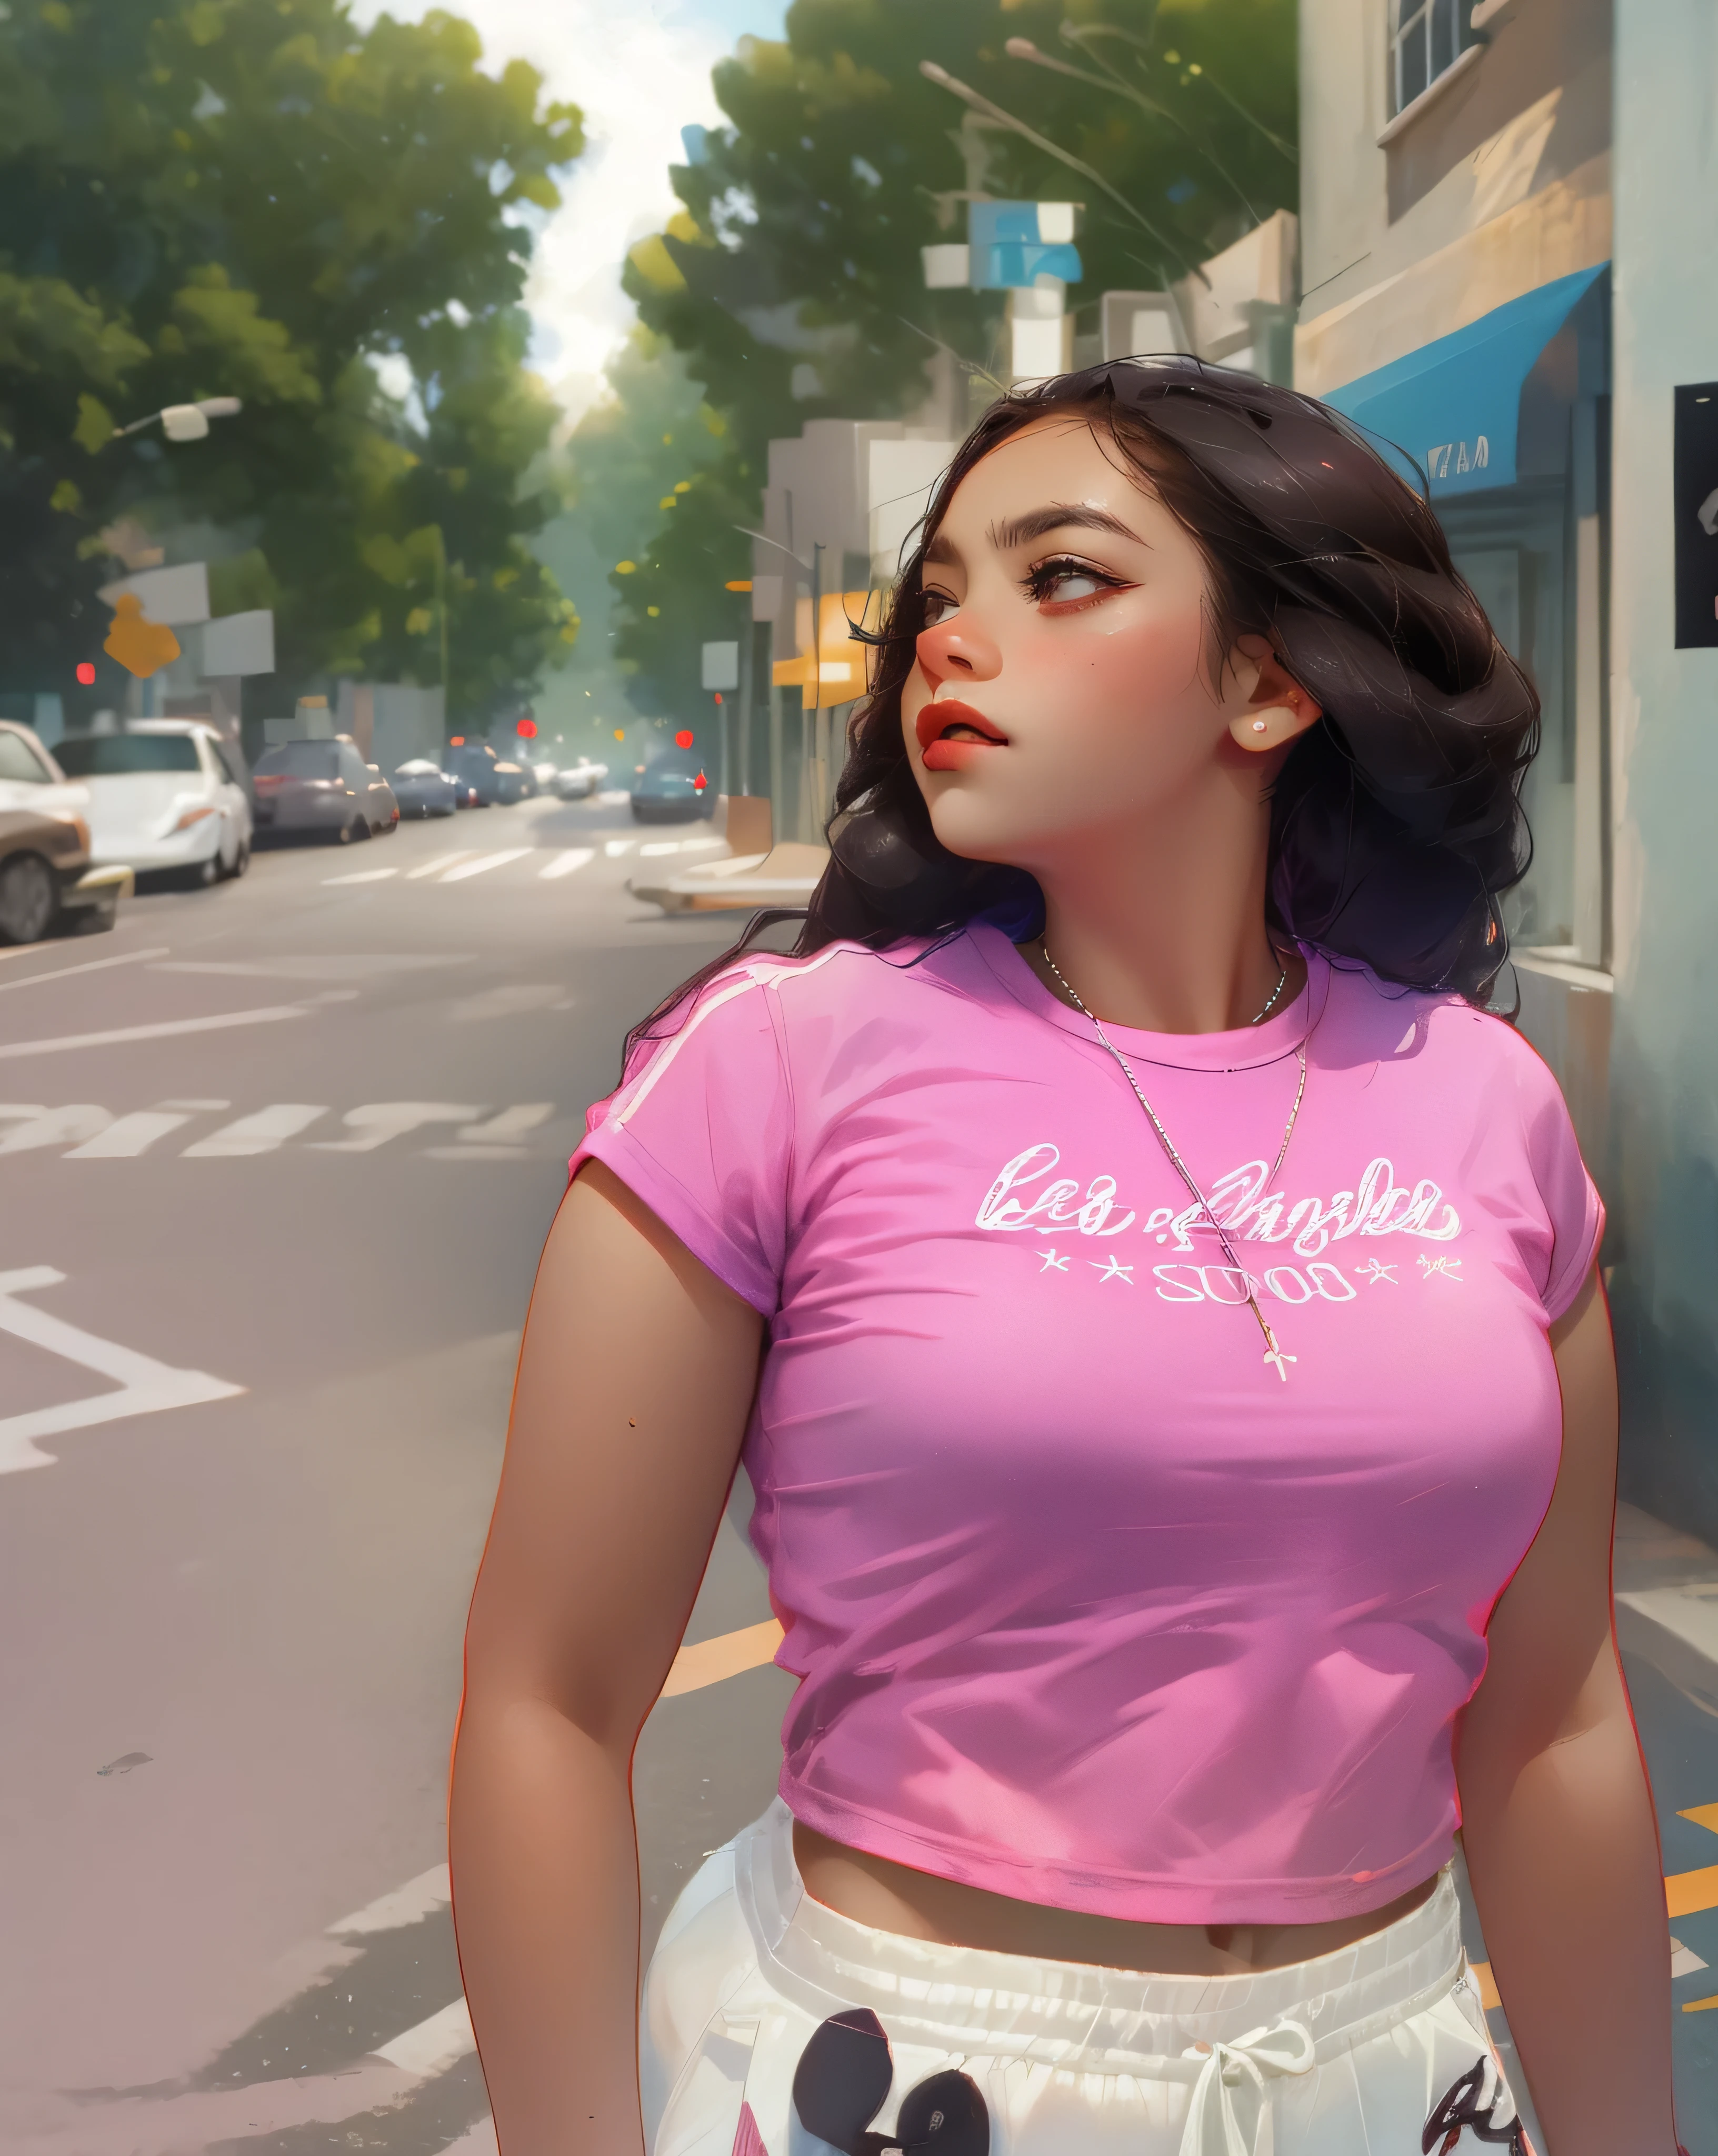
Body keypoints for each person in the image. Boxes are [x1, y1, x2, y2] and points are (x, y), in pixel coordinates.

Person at [448, 360, 1679, 2156]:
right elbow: (546, 1702)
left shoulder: (1485, 1106)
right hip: (899, 2080)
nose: (954, 639)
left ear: (1273, 682)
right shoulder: (773, 1066)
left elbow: (1556, 1720)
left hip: (1397, 2076)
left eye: (1064, 577)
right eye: (938, 594)